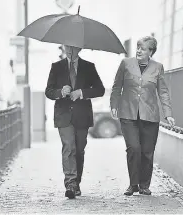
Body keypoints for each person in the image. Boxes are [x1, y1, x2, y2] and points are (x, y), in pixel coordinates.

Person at [110, 36, 175, 196]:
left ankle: (144, 185)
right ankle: (133, 184)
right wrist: (114, 104)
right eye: (138, 47)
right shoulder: (126, 63)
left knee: (147, 151)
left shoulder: (158, 67)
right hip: (128, 113)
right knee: (134, 148)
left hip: (150, 116)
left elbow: (163, 92)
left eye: (143, 48)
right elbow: (117, 86)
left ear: (150, 52)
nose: (138, 50)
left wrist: (168, 114)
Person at [45, 45, 105, 199]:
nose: (70, 49)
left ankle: (76, 182)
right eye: (67, 46)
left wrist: (82, 92)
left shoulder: (88, 67)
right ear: (64, 47)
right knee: (69, 147)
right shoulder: (56, 67)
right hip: (63, 115)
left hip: (82, 115)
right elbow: (49, 91)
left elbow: (100, 89)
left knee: (79, 150)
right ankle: (70, 184)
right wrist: (60, 92)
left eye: (73, 47)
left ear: (79, 48)